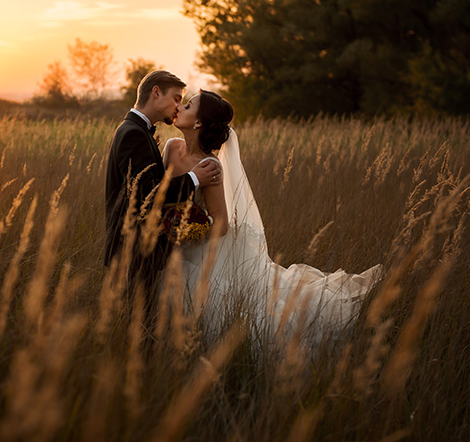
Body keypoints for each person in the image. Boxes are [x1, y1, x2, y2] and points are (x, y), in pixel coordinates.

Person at [163, 90, 382, 343]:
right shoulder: (171, 148)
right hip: (172, 242)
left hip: (199, 247)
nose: (181, 107)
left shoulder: (210, 166)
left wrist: (189, 232)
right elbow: (160, 193)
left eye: (188, 105)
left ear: (198, 122)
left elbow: (221, 224)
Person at [104, 71, 221, 331]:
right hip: (133, 248)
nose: (179, 106)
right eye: (177, 99)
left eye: (183, 102)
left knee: (141, 322)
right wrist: (193, 179)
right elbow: (147, 195)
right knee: (138, 325)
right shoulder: (134, 134)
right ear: (156, 93)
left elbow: (144, 185)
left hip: (142, 250)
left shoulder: (140, 133)